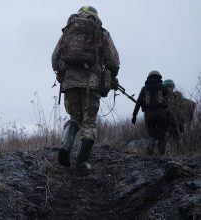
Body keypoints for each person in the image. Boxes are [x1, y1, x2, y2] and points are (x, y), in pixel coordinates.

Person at [51, 6, 120, 169]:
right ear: (95, 16)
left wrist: (63, 72)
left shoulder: (67, 31)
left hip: (70, 84)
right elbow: (113, 62)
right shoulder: (101, 33)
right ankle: (81, 163)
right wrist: (112, 76)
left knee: (75, 118)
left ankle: (65, 148)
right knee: (89, 122)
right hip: (91, 83)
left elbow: (54, 59)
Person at [131, 71, 169, 155]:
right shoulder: (163, 88)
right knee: (161, 135)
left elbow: (138, 103)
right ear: (159, 77)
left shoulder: (144, 88)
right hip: (162, 114)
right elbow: (169, 104)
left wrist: (134, 116)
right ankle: (161, 155)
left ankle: (150, 151)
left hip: (149, 115)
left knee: (152, 135)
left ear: (149, 77)